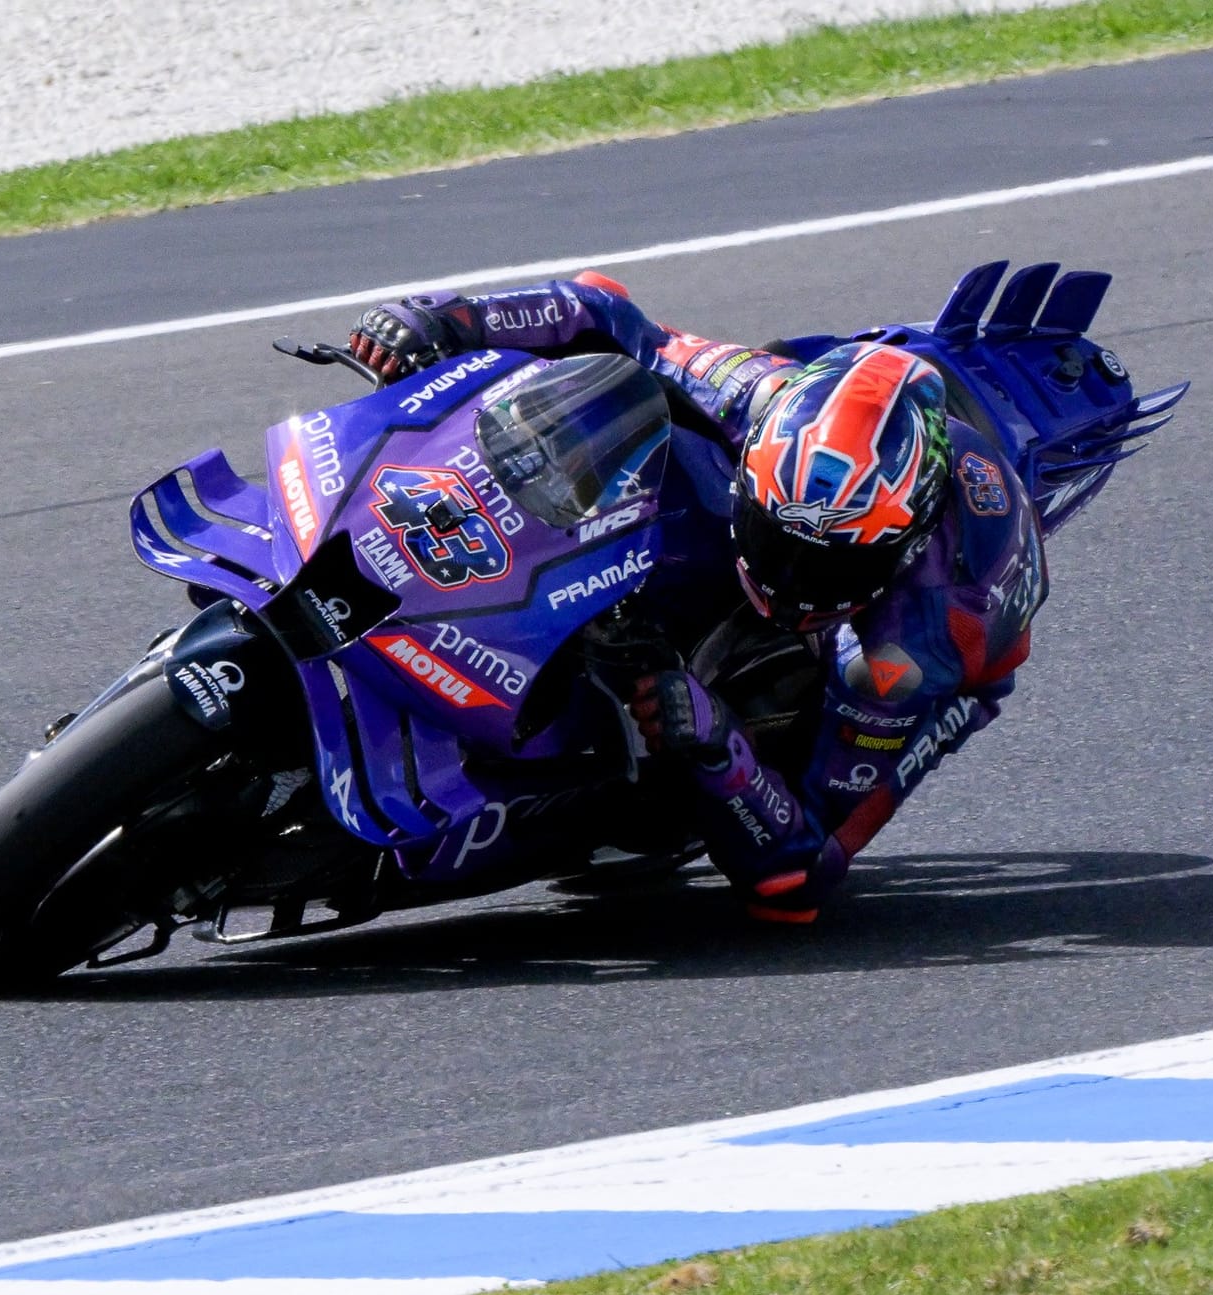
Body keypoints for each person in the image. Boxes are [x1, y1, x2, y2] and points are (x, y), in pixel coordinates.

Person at [348, 272, 1046, 923]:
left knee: (742, 750)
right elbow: (602, 310)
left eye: (824, 568)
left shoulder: (913, 647)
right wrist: (450, 318)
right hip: (829, 444)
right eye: (776, 543)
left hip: (944, 656)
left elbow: (800, 874)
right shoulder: (755, 397)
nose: (788, 580)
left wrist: (719, 744)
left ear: (894, 550)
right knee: (642, 434)